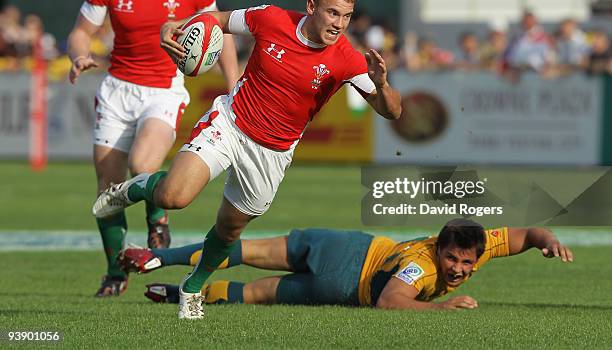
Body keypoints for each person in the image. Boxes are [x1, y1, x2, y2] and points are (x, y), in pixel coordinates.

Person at [92, 0, 402, 318]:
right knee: (172, 197)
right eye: (332, 13)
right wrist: (176, 26)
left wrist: (382, 84)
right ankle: (131, 190)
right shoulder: (271, 18)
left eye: (346, 16)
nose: (339, 24)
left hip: (272, 153)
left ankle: (192, 287)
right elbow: (217, 20)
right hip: (230, 122)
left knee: (228, 230)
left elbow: (392, 112)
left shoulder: (349, 59)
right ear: (311, 7)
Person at [67, 0, 239, 298]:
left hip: (163, 89)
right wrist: (80, 55)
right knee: (108, 184)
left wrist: (233, 84)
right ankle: (115, 272)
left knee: (143, 164)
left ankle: (157, 219)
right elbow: (81, 31)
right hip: (117, 89)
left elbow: (222, 32)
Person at [118, 219, 573, 310]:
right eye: (451, 258)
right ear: (439, 250)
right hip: (342, 284)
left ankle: (166, 268)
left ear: (478, 255)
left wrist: (546, 240)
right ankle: (174, 287)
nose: (456, 268)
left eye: (464, 262)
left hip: (342, 246)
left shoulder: (475, 243)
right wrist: (439, 308)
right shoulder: (424, 267)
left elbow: (525, 234)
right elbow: (392, 301)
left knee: (247, 252)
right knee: (254, 293)